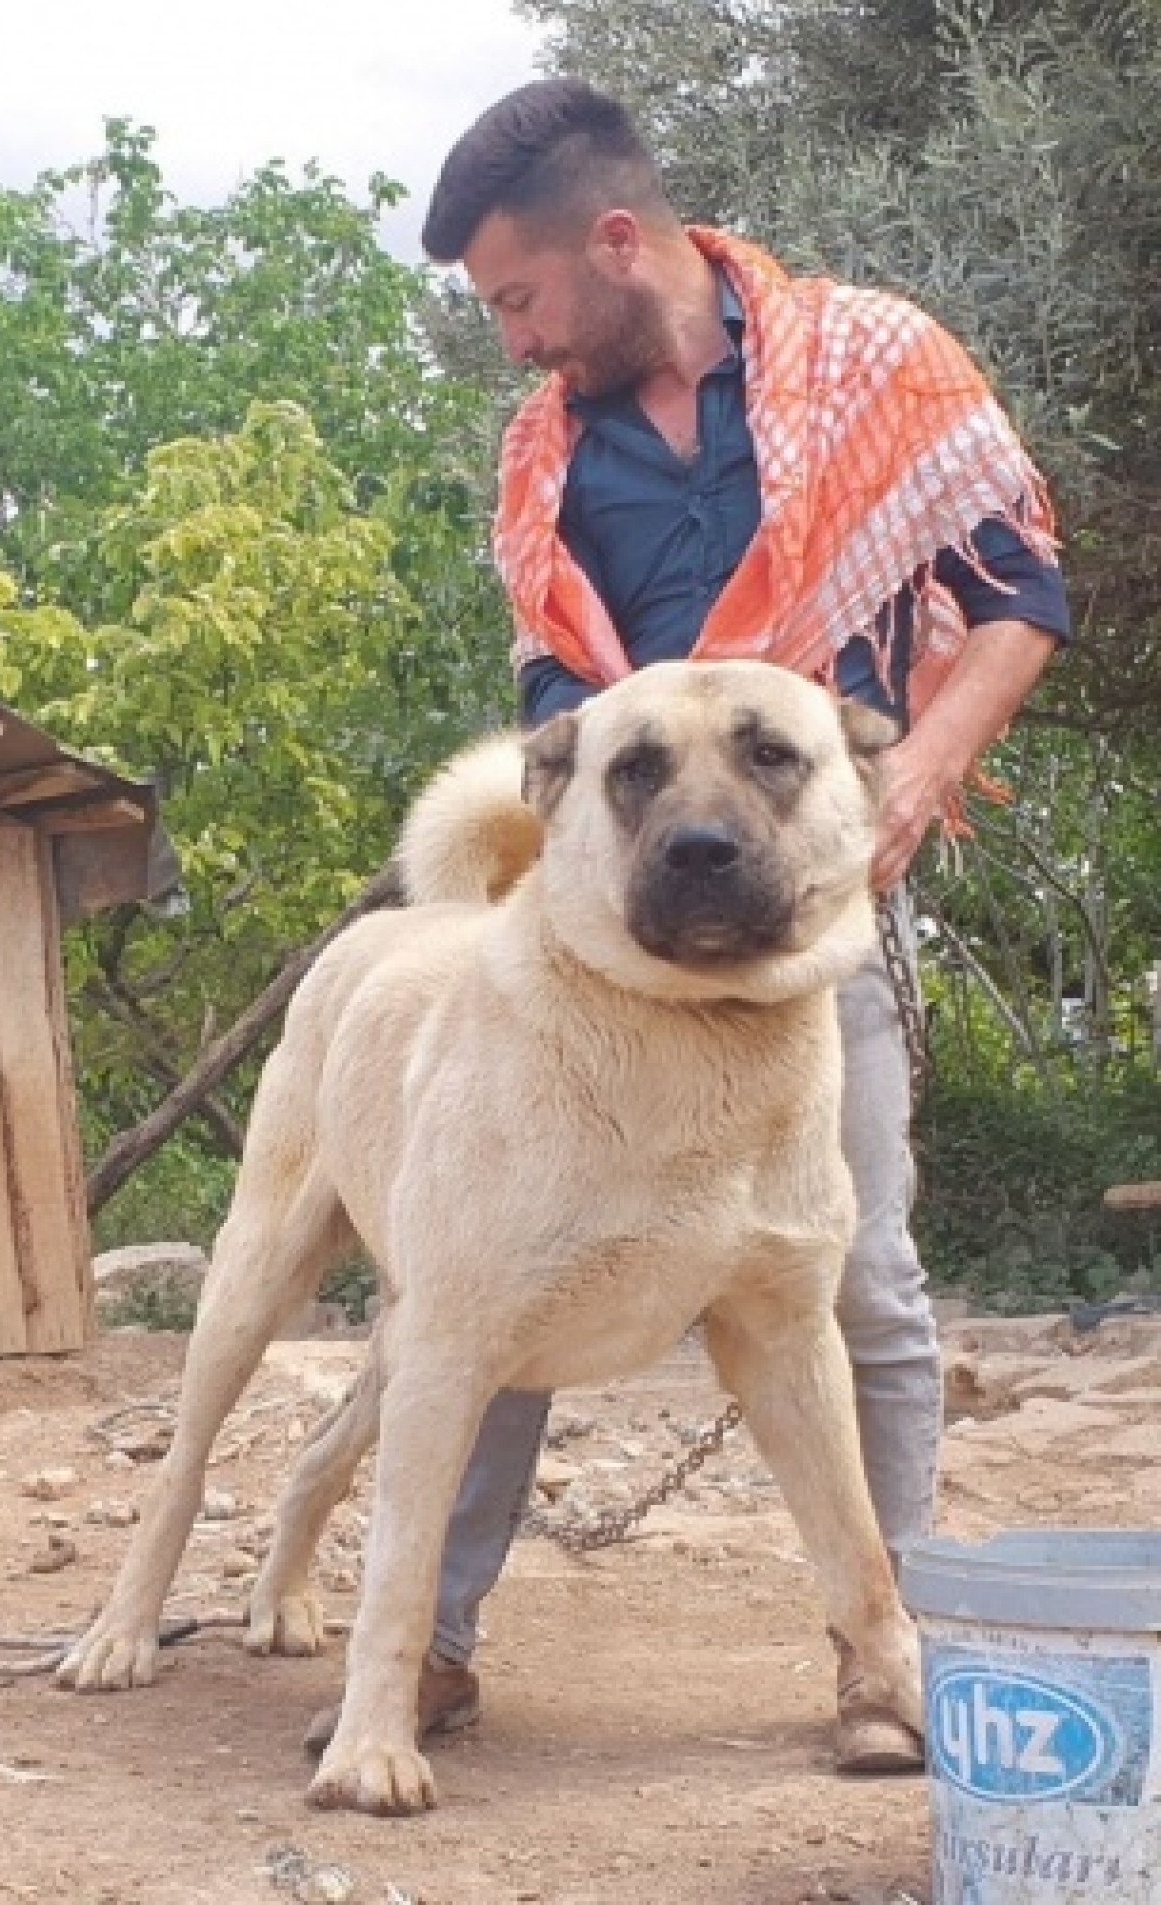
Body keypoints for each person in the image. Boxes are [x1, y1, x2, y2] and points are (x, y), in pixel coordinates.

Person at [305, 78, 1071, 1773]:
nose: (507, 340)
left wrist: (921, 770)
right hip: (599, 942)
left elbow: (1023, 585)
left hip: (813, 909)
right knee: (472, 1276)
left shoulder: (872, 358)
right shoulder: (545, 454)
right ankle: (424, 1648)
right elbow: (551, 702)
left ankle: (891, 1656)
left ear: (617, 241)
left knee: (856, 1276)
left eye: (515, 298)